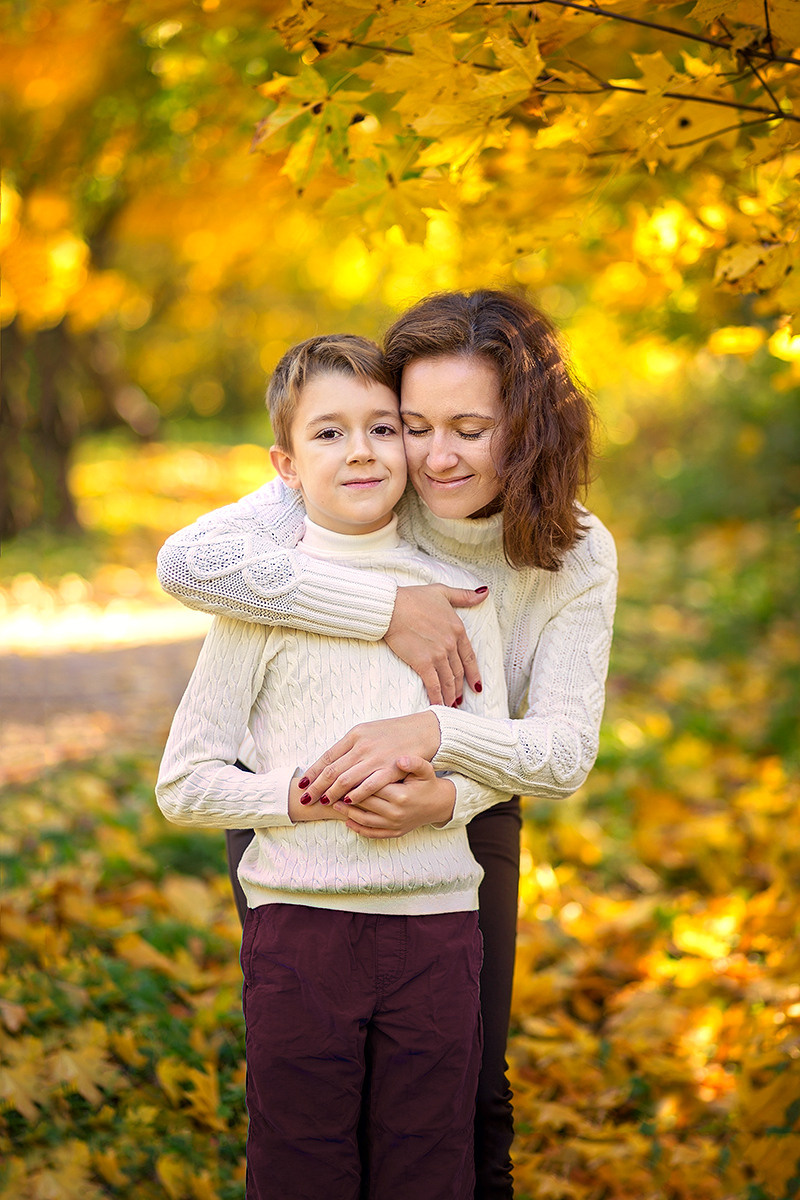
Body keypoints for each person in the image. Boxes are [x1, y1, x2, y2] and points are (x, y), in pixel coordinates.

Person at [157, 289, 619, 1199]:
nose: (436, 456)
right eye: (414, 424)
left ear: (526, 428)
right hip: (302, 819)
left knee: (466, 1095)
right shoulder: (365, 478)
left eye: (470, 428)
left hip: (465, 814)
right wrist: (387, 611)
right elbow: (190, 564)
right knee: (312, 1096)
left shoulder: (574, 551)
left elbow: (559, 747)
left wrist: (445, 765)